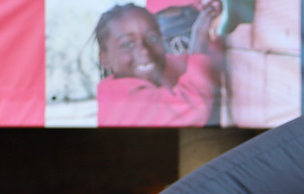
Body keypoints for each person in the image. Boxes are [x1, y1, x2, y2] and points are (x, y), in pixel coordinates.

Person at [94, 1, 222, 128]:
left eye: (152, 38)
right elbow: (193, 107)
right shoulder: (120, 103)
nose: (144, 50)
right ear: (105, 60)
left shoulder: (156, 66)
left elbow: (201, 65)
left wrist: (210, 20)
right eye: (128, 44)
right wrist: (199, 44)